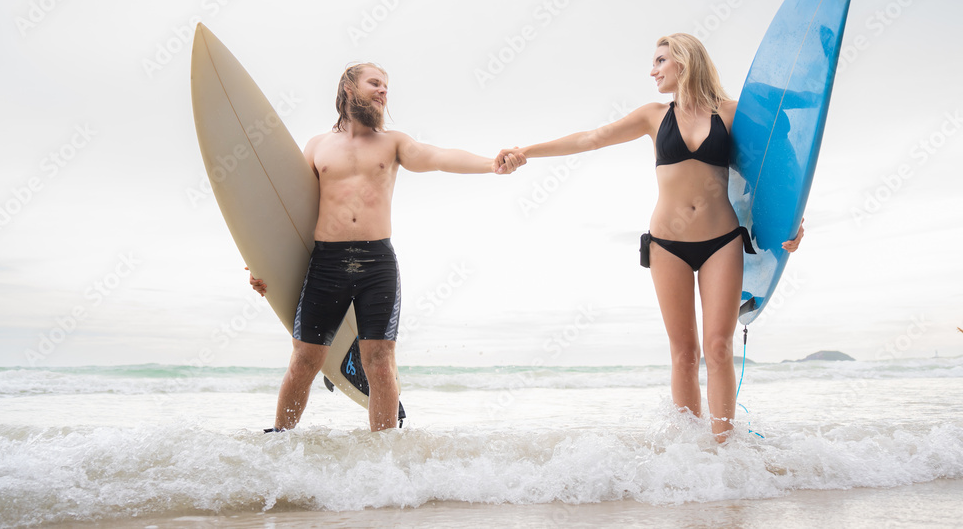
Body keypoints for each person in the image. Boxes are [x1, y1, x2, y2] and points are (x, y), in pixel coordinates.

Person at [496, 33, 803, 441]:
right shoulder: (653, 116)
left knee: (718, 348)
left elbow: (777, 169)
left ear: (684, 61)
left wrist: (793, 223)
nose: (653, 70)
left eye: (660, 60)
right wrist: (527, 151)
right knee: (684, 353)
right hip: (667, 245)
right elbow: (591, 138)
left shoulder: (730, 114)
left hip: (722, 241)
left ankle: (727, 452)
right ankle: (689, 454)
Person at [250, 62, 525, 432]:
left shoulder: (393, 143)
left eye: (386, 86)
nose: (383, 91)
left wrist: (491, 164)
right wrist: (261, 265)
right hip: (326, 264)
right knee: (304, 359)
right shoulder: (317, 146)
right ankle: (279, 441)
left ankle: (383, 455)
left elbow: (439, 157)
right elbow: (291, 213)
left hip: (376, 264)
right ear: (348, 88)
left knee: (379, 362)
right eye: (375, 83)